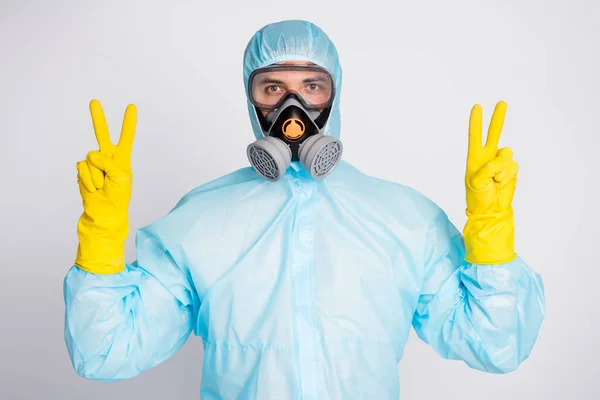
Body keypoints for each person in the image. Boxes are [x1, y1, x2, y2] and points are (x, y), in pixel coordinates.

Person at [64, 19, 545, 399]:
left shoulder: (404, 218)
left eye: (312, 86)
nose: (293, 107)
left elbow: (494, 344)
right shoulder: (201, 219)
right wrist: (101, 242)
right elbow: (106, 353)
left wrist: (490, 235)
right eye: (272, 88)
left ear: (335, 93)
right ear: (251, 99)